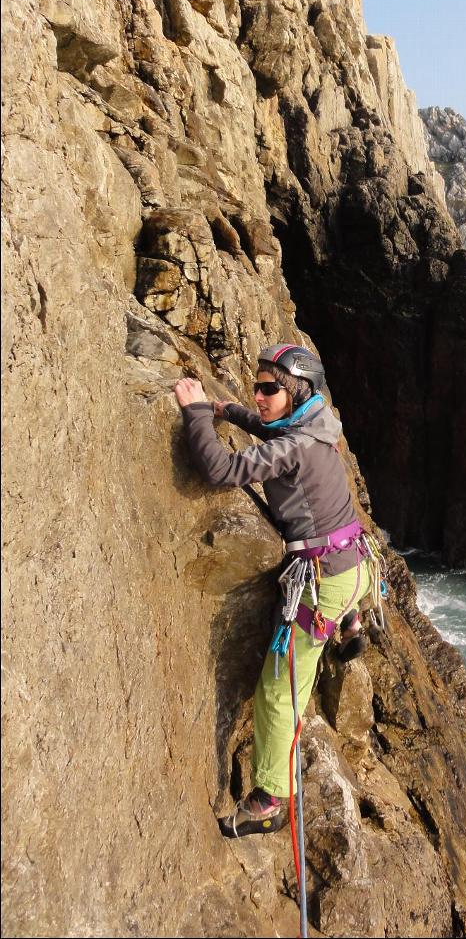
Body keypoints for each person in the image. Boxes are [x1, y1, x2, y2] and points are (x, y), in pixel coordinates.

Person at [174, 344, 371, 838]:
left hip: (323, 580)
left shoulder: (294, 447)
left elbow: (221, 470)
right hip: (354, 569)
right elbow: (270, 429)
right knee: (329, 619)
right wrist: (229, 411)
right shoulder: (316, 424)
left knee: (277, 693)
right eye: (256, 386)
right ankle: (351, 624)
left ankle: (269, 798)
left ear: (296, 391)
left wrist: (197, 413)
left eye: (268, 389)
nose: (257, 395)